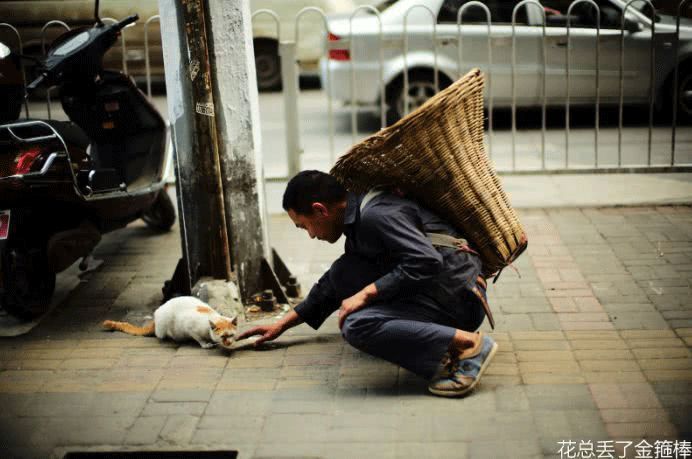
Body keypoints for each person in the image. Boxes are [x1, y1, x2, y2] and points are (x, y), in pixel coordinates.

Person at [237, 170, 498, 397]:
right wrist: (282, 324)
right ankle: (441, 341)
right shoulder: (359, 218)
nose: (311, 235)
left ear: (320, 210)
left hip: (459, 299)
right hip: (447, 290)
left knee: (358, 324)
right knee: (344, 272)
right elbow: (334, 282)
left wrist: (367, 293)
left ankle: (468, 346)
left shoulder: (377, 215)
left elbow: (426, 261)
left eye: (304, 226)